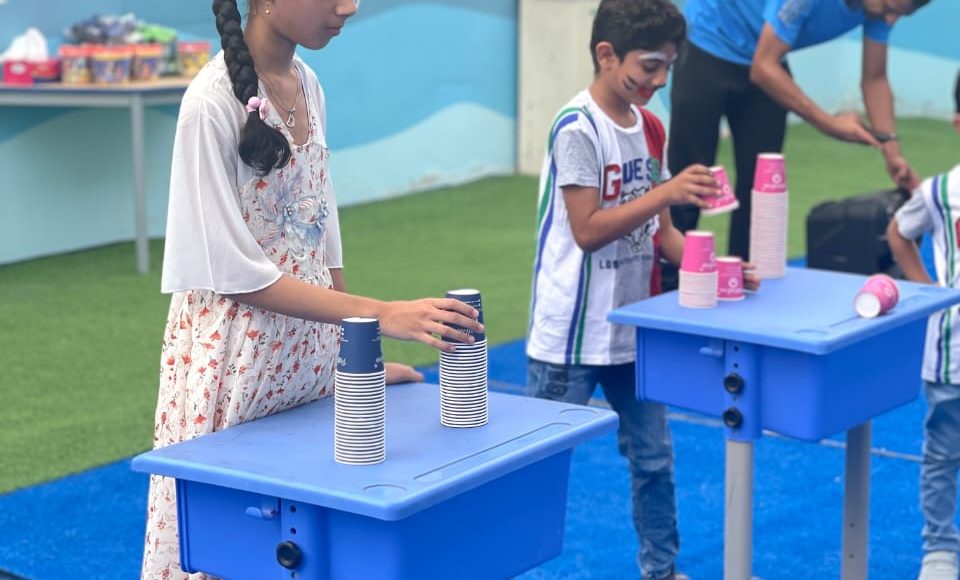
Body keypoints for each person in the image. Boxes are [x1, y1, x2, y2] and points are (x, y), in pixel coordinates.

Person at [140, 0, 483, 577]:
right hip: (238, 369)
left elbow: (320, 232)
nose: (349, 6)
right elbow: (233, 274)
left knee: (313, 544)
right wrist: (383, 314)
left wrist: (358, 359)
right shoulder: (209, 103)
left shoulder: (308, 84)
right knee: (236, 544)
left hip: (308, 358)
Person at [525, 1, 758, 578]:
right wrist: (665, 193)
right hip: (567, 339)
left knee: (655, 462)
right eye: (650, 66)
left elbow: (664, 235)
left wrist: (720, 269)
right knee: (532, 471)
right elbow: (587, 230)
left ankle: (662, 570)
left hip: (633, 333)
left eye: (668, 68)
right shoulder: (576, 127)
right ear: (606, 55)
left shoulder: (652, 127)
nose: (659, 80)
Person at [665, 0, 932, 289]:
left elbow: (875, 78)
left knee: (761, 191)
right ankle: (666, 287)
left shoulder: (881, 8)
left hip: (766, 57)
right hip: (710, 43)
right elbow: (763, 68)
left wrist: (892, 153)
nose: (889, 20)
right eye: (889, 8)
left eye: (900, 14)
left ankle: (741, 289)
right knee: (689, 179)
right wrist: (829, 123)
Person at [886, 80, 960, 580]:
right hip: (952, 355)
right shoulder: (939, 192)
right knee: (942, 455)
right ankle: (940, 548)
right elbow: (899, 232)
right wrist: (927, 289)